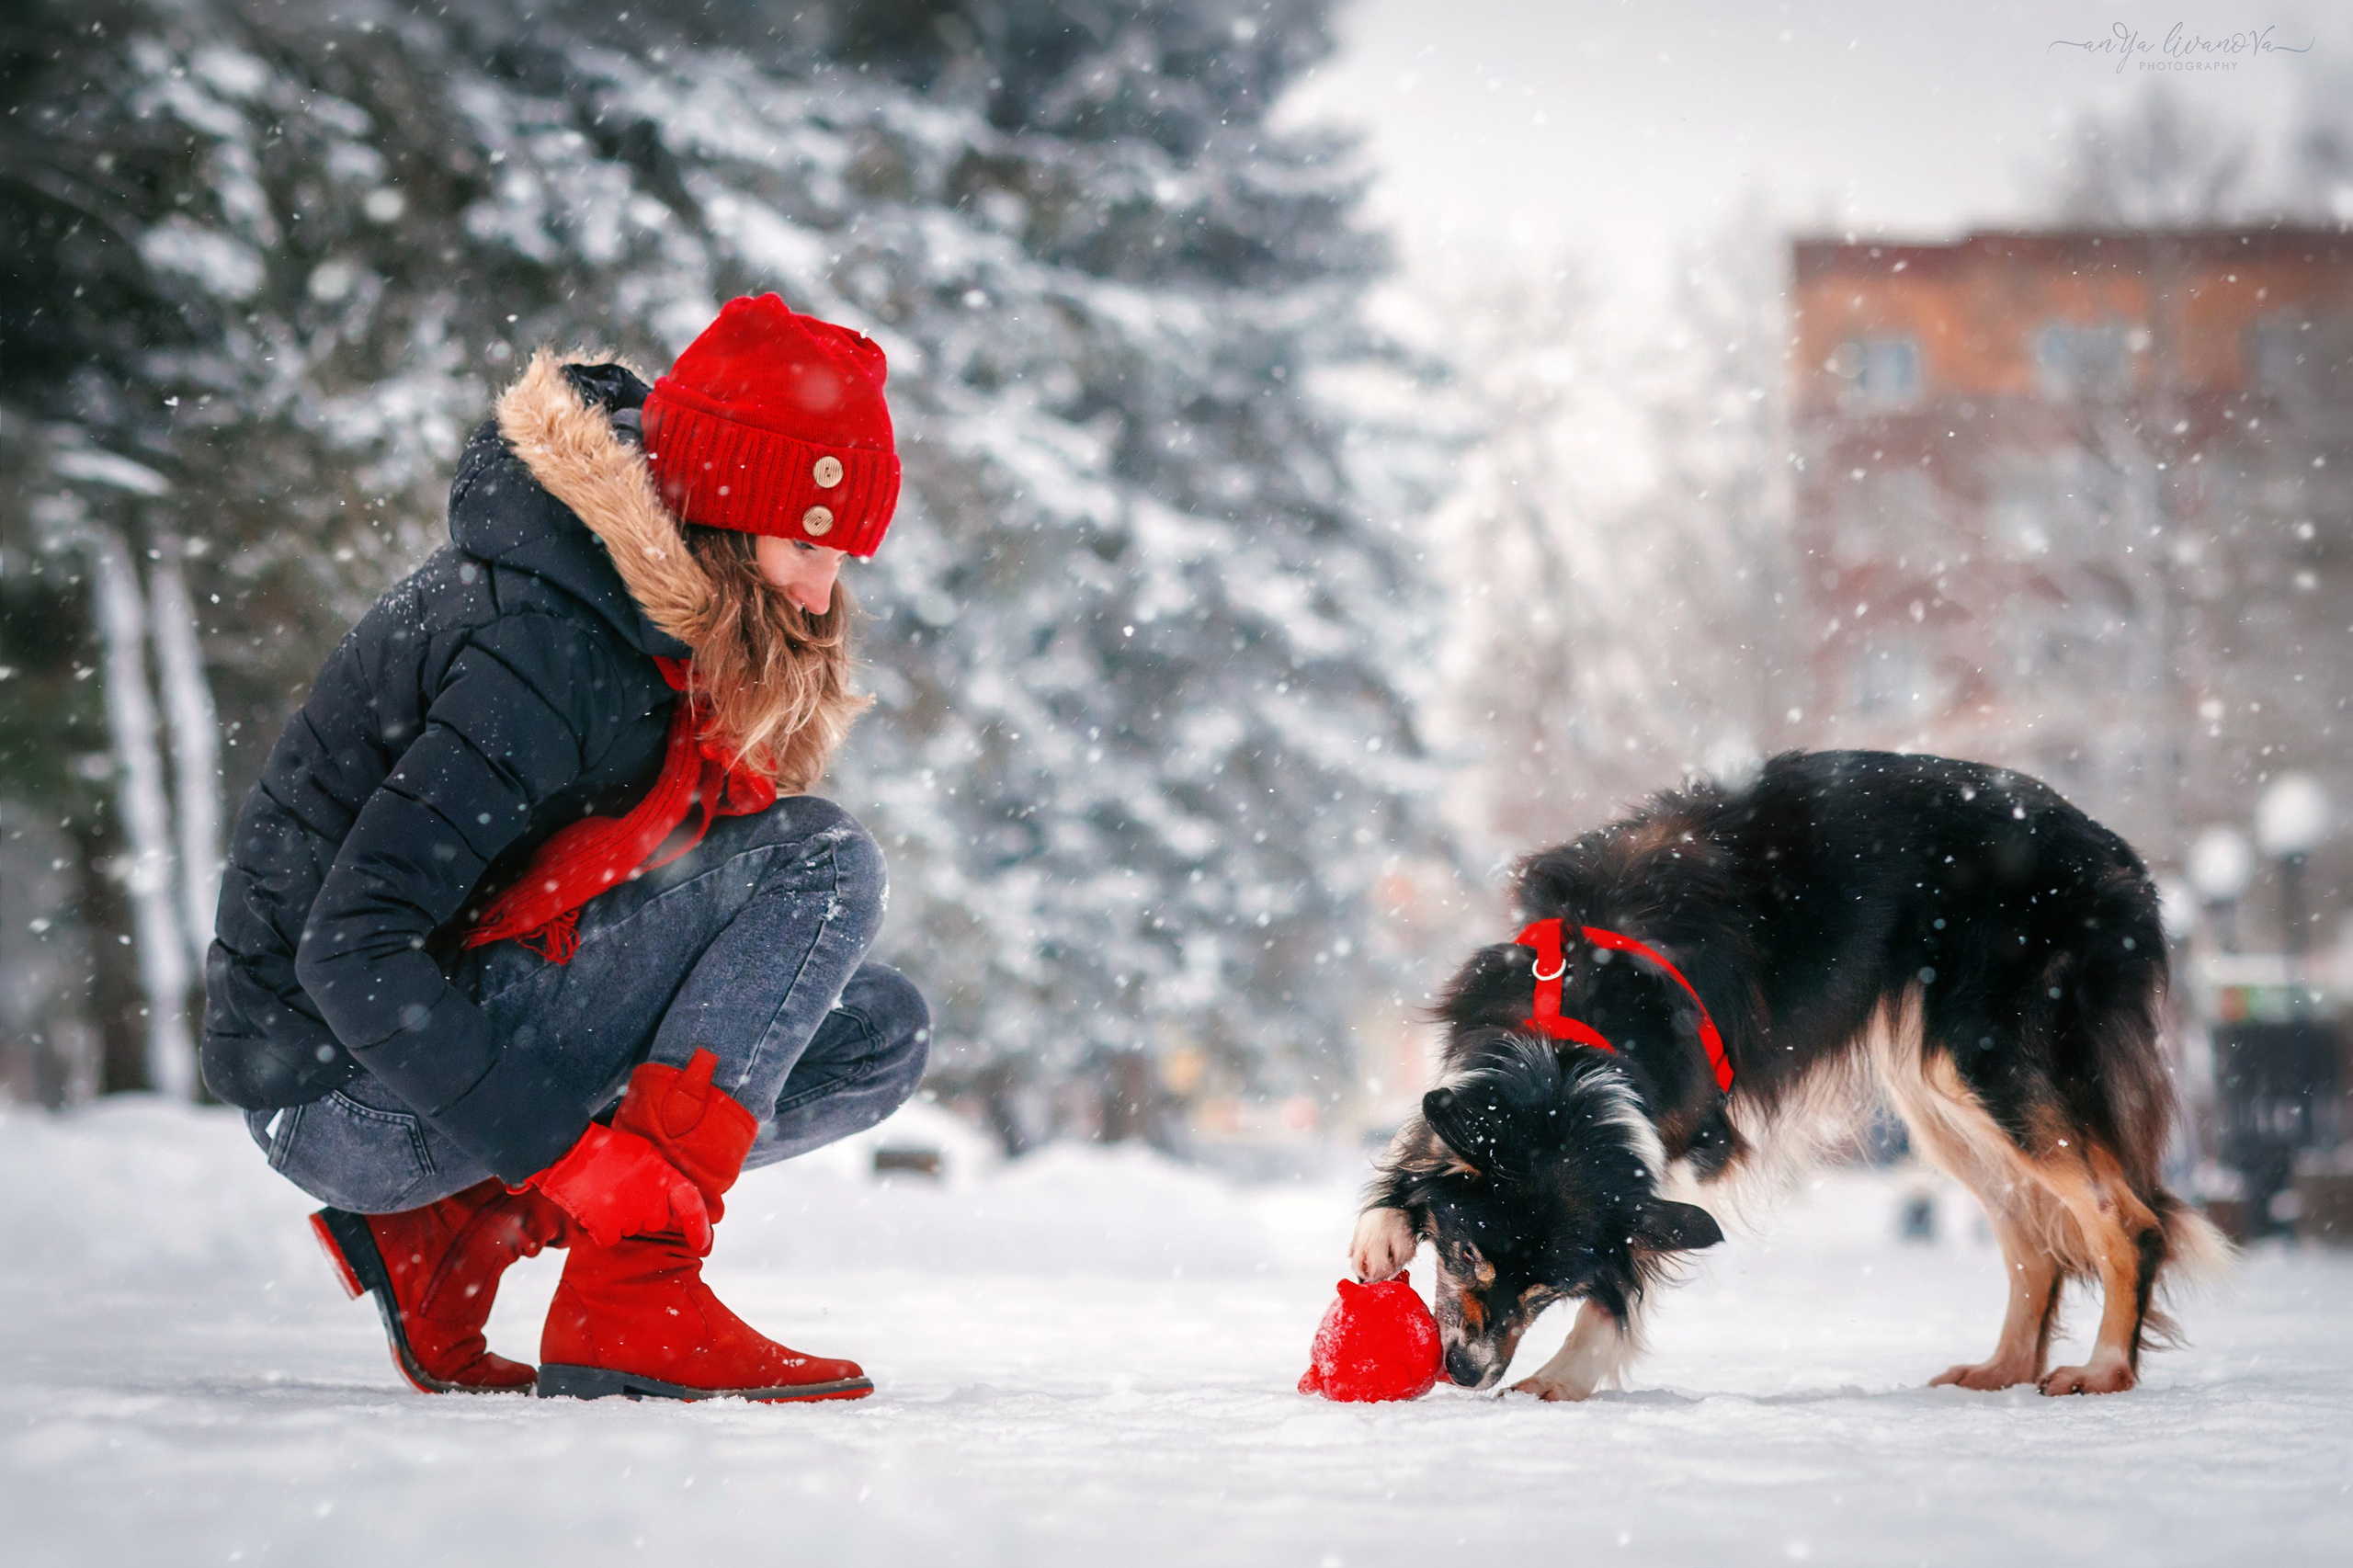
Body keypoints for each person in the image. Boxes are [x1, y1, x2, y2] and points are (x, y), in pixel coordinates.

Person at [201, 295, 928, 1403]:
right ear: (727, 519)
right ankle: (632, 1292)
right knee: (819, 863)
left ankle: (457, 1229)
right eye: (805, 546)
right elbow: (350, 950)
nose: (821, 593)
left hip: (430, 1051)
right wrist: (573, 1157)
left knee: (874, 1032)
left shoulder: (651, 617)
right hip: (342, 1091)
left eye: (843, 559)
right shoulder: (541, 646)